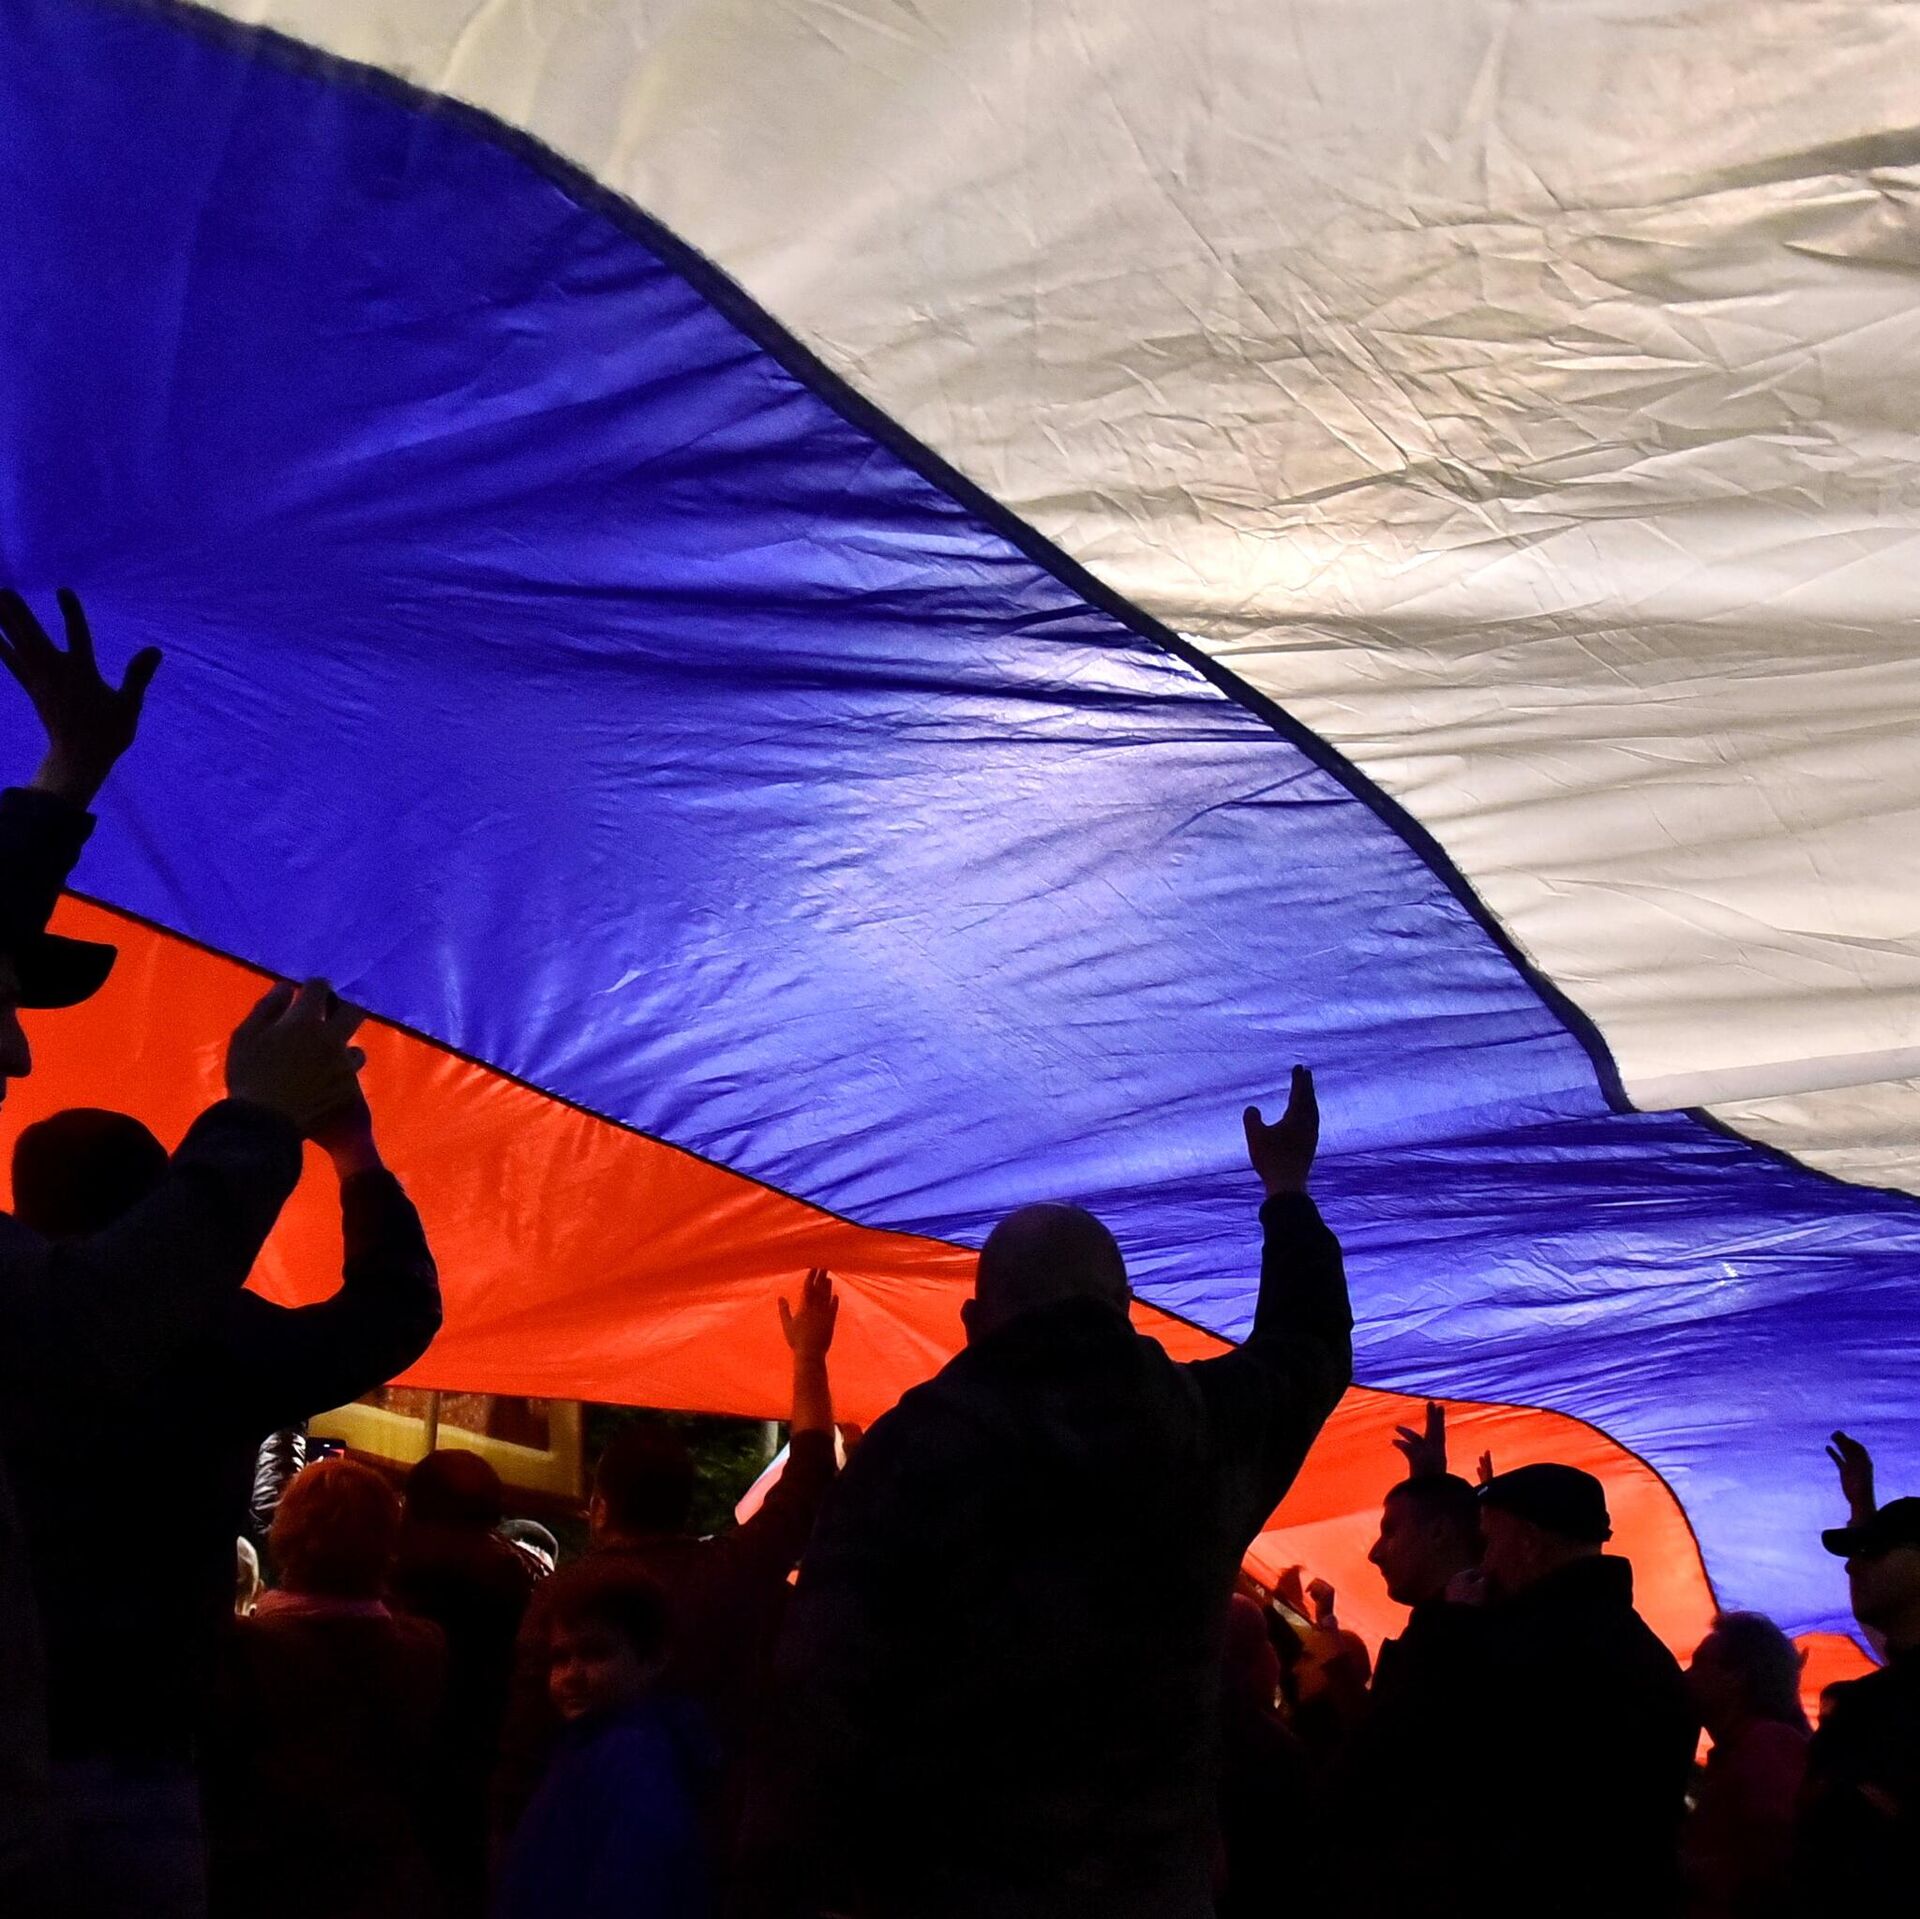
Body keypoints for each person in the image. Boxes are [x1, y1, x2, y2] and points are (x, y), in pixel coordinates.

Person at [735, 1068, 1351, 1919]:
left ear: (974, 1322)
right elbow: (1310, 1346)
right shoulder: (1203, 1427)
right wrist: (1287, 1192)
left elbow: (820, 1688)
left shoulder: (910, 1452)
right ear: (1124, 1307)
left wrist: (791, 1880)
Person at [0, 587, 375, 1908]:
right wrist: (278, 1127)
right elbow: (99, 1323)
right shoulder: (179, 1345)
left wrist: (67, 776)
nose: (18, 1051)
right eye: (4, 1003)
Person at [1, 1087, 438, 1911]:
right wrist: (352, 1151)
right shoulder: (213, 1340)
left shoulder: (18, 1314)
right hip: (142, 1753)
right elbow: (394, 1309)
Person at [495, 1269, 841, 1852]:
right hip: (716, 1836)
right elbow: (810, 1475)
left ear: (599, 1509)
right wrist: (809, 1356)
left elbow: (524, 1742)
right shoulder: (731, 1570)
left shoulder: (565, 1597)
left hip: (585, 1837)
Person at [203, 1456, 447, 1919]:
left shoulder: (244, 1649)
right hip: (382, 1884)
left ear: (287, 1534)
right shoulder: (424, 1648)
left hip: (264, 1883)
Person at [1461, 1462, 1699, 1918]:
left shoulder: (1532, 1651)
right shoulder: (1640, 1649)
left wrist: (1452, 1631)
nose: (1483, 1565)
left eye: (1488, 1543)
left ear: (1528, 1542)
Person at [494, 1563, 720, 1919]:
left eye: (596, 1653)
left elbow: (633, 1888)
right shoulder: (585, 1742)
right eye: (560, 1657)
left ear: (654, 1659)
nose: (571, 1675)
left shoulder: (636, 1763)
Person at [391, 1451, 535, 1918]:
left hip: (408, 1801)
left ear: (414, 1510)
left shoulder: (400, 1585)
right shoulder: (521, 1582)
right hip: (487, 1791)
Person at [1792, 1431, 1920, 1899]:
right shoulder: (1877, 1697)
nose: (1851, 1567)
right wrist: (1862, 1507)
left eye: (1874, 1551)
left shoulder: (1872, 1708)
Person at [1682, 1612, 1809, 1919]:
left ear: (1736, 1677)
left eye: (1699, 1664)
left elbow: (1774, 1863)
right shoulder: (1740, 1751)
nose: (1686, 1676)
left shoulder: (1768, 1747)